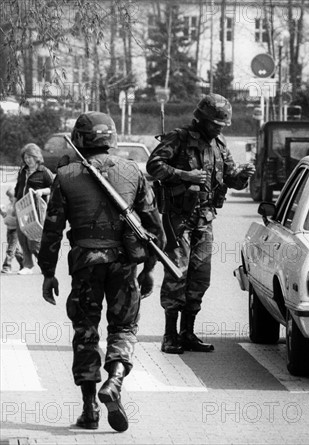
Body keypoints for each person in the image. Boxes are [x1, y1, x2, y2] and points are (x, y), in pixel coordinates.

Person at [38, 111, 165, 432]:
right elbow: (154, 229)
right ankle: (116, 380)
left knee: (85, 334)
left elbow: (51, 231)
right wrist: (148, 269)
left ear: (80, 139)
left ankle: (89, 409)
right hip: (124, 266)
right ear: (112, 138)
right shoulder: (133, 173)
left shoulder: (65, 176)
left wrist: (47, 273)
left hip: (84, 265)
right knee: (123, 328)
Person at [147, 93, 255, 355]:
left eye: (222, 125)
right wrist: (184, 174)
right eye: (215, 123)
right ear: (202, 119)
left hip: (205, 220)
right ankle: (170, 335)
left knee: (200, 277)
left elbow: (230, 178)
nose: (219, 128)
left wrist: (243, 175)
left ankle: (188, 333)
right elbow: (154, 166)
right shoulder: (179, 138)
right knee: (177, 274)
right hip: (179, 220)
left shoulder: (219, 143)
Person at [14, 143, 54, 275]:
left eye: (30, 157)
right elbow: (18, 188)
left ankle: (45, 263)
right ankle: (28, 265)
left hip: (36, 211)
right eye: (25, 157)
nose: (27, 160)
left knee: (34, 241)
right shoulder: (22, 171)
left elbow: (54, 188)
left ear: (37, 157)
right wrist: (15, 204)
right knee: (22, 239)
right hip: (22, 209)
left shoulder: (44, 172)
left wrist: (42, 191)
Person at [0, 189, 24, 273]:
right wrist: (2, 212)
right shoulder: (9, 205)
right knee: (15, 249)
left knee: (10, 249)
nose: (10, 199)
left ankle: (7, 266)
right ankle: (24, 263)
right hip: (9, 229)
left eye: (12, 197)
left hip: (15, 230)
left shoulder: (18, 206)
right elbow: (5, 216)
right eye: (9, 197)